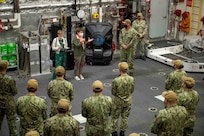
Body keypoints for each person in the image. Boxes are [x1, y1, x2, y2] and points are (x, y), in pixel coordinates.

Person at [111, 62, 135, 136]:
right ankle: (122, 131)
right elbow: (132, 90)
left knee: (115, 117)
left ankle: (114, 131)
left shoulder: (116, 80)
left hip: (118, 101)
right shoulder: (132, 79)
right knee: (125, 117)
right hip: (128, 101)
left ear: (120, 69)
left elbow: (113, 92)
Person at [0, 60, 18, 136]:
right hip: (8, 103)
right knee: (12, 123)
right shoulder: (10, 79)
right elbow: (14, 92)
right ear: (6, 68)